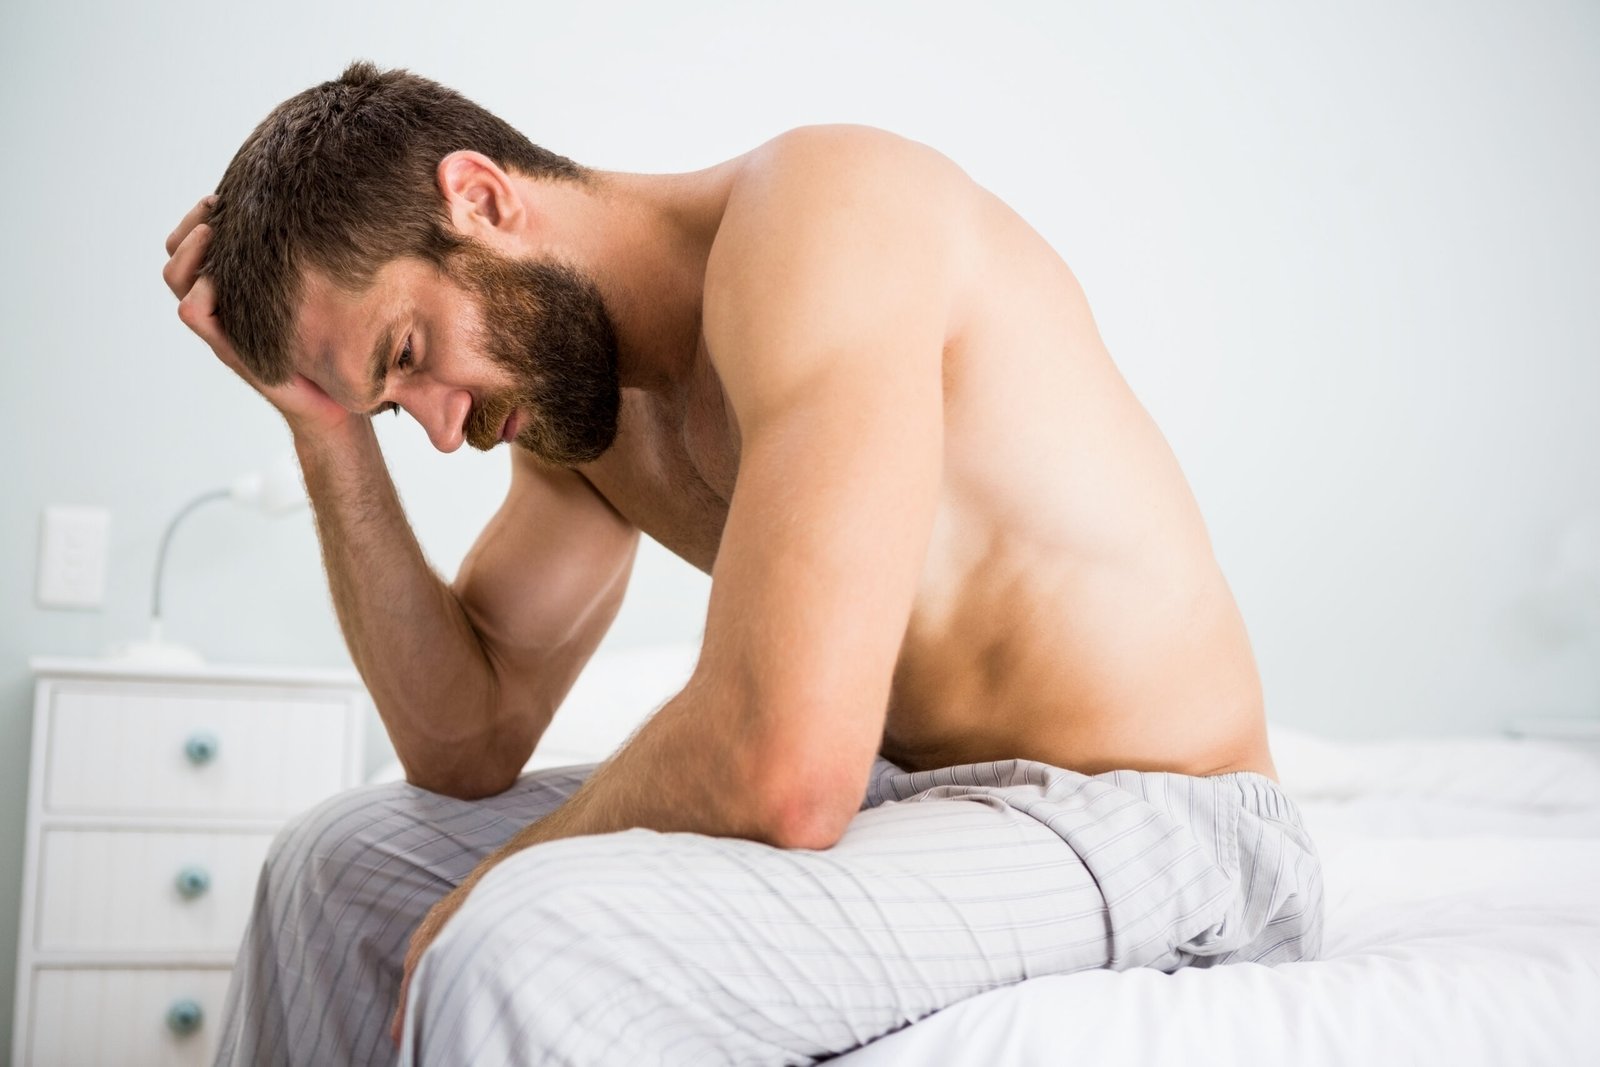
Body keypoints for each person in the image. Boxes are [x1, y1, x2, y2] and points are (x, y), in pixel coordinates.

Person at [162, 60, 1323, 1067]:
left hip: (1164, 823)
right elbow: (463, 742)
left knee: (526, 937)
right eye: (390, 399)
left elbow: (786, 762)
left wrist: (491, 884)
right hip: (911, 802)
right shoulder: (583, 412)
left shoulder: (827, 215)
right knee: (335, 864)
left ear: (481, 198)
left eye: (409, 355)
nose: (438, 426)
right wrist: (326, 429)